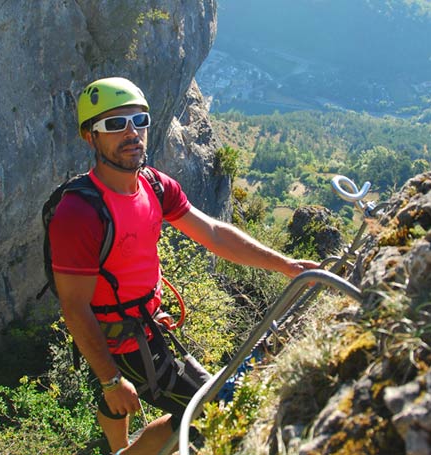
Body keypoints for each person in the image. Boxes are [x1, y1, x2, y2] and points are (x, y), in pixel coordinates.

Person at [49, 77, 319, 455]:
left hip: (144, 322)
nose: (131, 133)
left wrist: (286, 265)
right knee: (209, 411)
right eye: (114, 124)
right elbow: (74, 307)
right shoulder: (79, 214)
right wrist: (110, 379)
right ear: (90, 137)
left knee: (178, 402)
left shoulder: (154, 185)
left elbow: (213, 233)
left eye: (138, 121)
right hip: (121, 340)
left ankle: (118, 447)